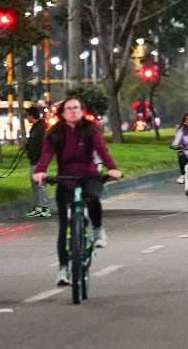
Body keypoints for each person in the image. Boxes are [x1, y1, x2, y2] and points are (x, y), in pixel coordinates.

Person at [32, 97, 122, 287]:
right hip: (65, 178)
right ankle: (63, 269)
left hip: (88, 175)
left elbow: (102, 150)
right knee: (64, 226)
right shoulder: (55, 132)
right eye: (69, 108)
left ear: (82, 110)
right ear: (62, 113)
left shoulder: (90, 129)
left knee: (93, 197)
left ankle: (98, 229)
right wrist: (41, 171)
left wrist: (112, 169)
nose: (73, 111)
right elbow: (47, 154)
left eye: (76, 108)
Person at [24, 106, 51, 218]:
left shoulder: (40, 128)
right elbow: (33, 143)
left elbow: (41, 145)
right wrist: (27, 147)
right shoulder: (36, 127)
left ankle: (44, 208)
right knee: (35, 185)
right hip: (34, 160)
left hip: (39, 161)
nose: (26, 118)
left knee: (40, 185)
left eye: (27, 115)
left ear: (31, 115)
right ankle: (38, 208)